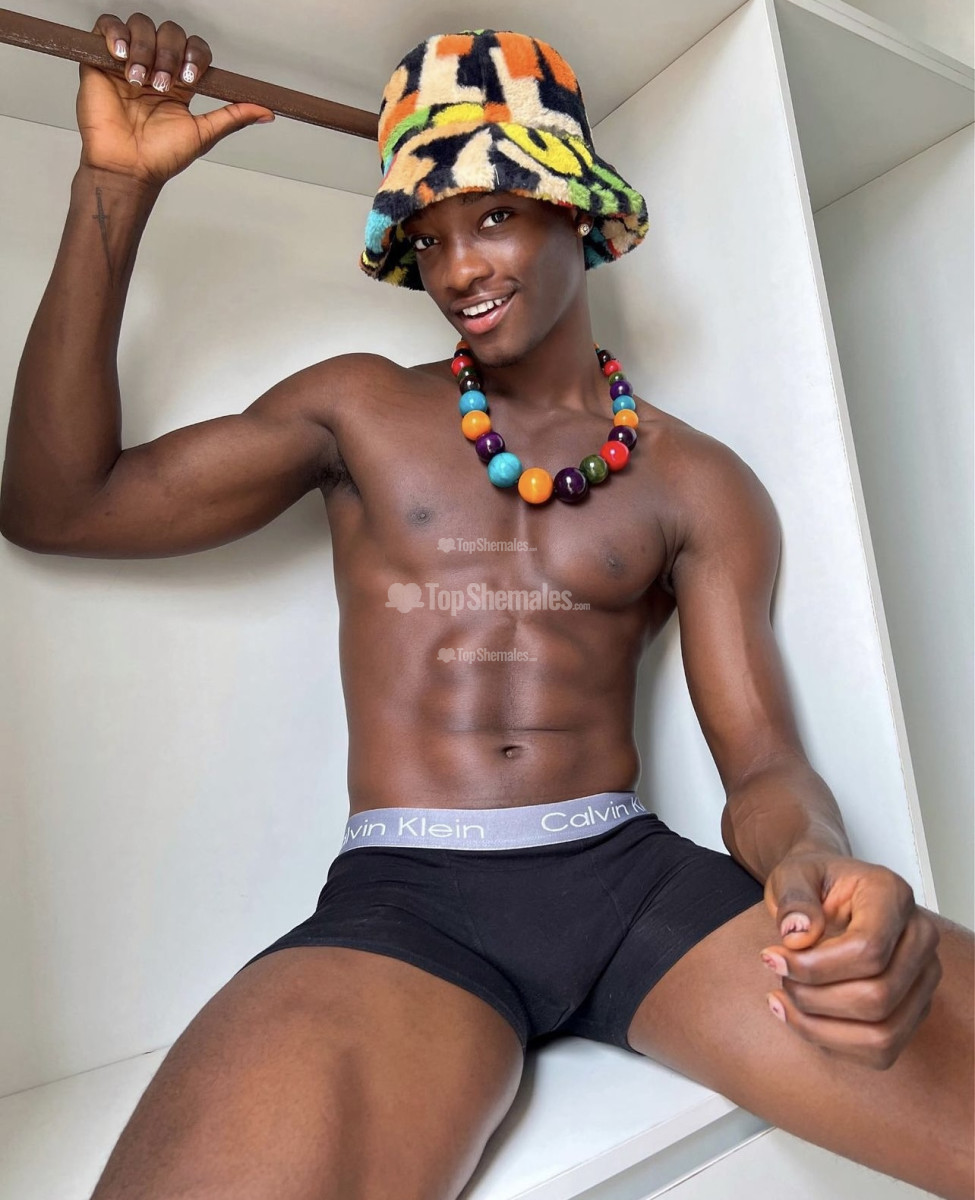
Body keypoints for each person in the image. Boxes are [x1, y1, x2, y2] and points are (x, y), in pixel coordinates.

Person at [1, 15, 971, 1200]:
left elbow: (764, 762)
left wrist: (813, 858)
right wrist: (114, 189)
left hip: (635, 885)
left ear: (577, 213)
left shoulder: (697, 480)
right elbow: (61, 504)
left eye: (496, 217)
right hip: (411, 903)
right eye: (430, 237)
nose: (458, 269)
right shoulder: (358, 409)